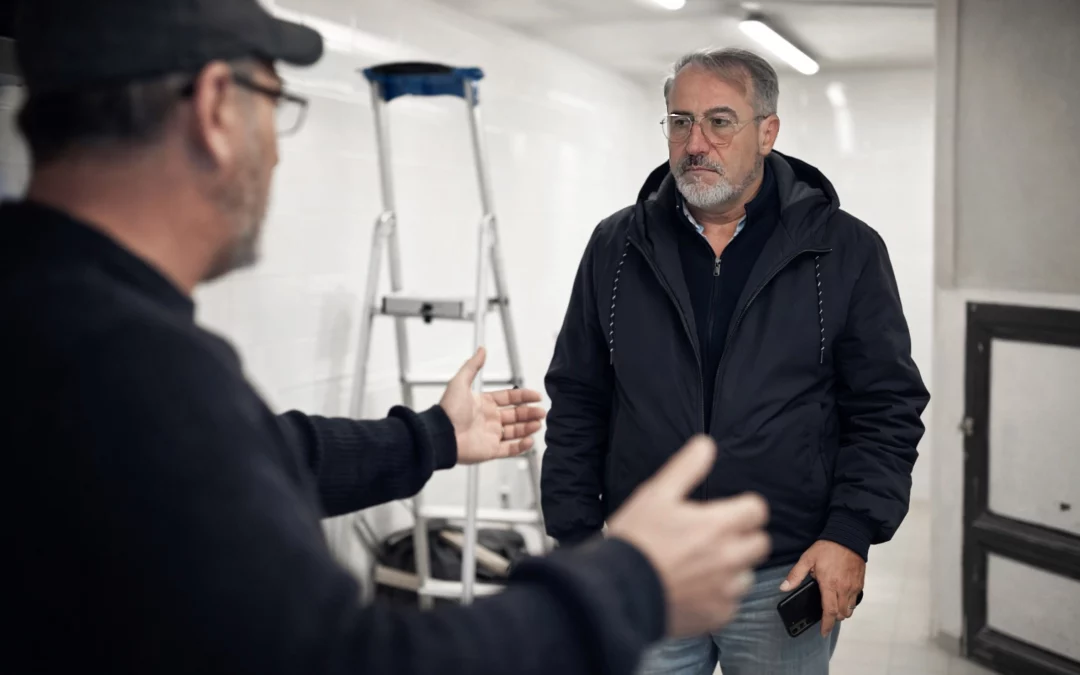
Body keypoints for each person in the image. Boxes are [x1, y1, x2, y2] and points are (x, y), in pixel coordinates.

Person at [2, 2, 778, 674]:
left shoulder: (50, 314)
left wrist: (430, 436)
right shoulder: (129, 365)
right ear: (213, 107)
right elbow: (352, 661)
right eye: (276, 103)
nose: (275, 148)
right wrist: (628, 581)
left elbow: (265, 454)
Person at [541, 47, 931, 674]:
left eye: (719, 121)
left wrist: (850, 531)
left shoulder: (844, 248)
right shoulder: (616, 246)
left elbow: (886, 406)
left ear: (767, 132)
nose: (695, 142)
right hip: (649, 567)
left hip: (783, 569)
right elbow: (579, 396)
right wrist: (577, 539)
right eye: (679, 121)